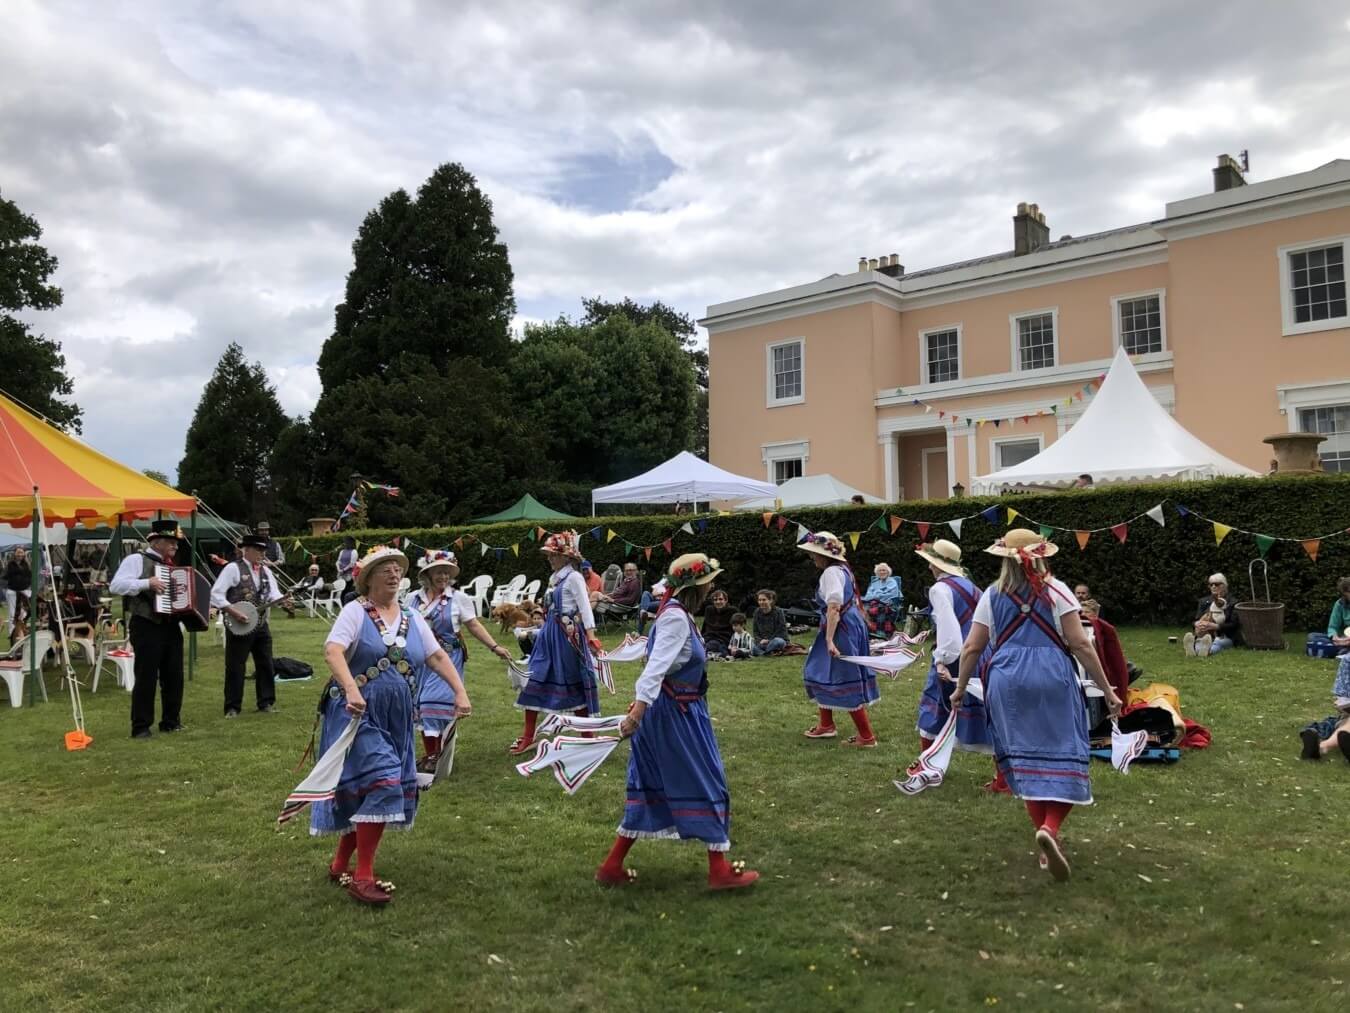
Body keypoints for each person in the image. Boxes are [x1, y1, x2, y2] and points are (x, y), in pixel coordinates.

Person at [950, 529, 1122, 883]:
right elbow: (1081, 644)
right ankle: (1050, 829)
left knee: (1024, 757)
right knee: (1067, 751)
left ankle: (1044, 844)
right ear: (1042, 556)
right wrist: (1108, 689)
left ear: (1004, 559)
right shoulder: (1059, 591)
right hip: (1051, 677)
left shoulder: (991, 596)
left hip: (1006, 679)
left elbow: (971, 648)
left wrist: (961, 686)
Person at [314, 545, 471, 906]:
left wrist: (459, 692)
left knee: (370, 789)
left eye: (396, 568)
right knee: (383, 780)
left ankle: (340, 864)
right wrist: (352, 688)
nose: (392, 573)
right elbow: (333, 651)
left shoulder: (413, 618)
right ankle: (363, 876)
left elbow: (435, 656)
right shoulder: (355, 612)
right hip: (356, 714)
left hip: (398, 717)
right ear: (367, 578)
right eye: (384, 568)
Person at [596, 553, 759, 891]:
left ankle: (612, 865)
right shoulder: (675, 619)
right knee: (708, 781)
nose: (712, 586)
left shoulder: (677, 614)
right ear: (696, 587)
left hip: (676, 711)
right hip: (674, 716)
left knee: (653, 782)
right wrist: (638, 712)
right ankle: (719, 871)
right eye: (708, 582)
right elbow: (655, 667)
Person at [405, 550, 512, 765]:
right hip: (420, 660)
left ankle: (436, 755)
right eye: (438, 572)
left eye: (447, 572)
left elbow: (473, 625)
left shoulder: (458, 598)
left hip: (448, 658)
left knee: (432, 703)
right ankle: (434, 754)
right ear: (427, 574)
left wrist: (495, 646)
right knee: (419, 705)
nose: (443, 577)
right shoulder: (412, 598)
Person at [912, 540, 1000, 785]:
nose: (929, 567)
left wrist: (941, 661)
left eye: (930, 562)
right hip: (982, 653)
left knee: (933, 706)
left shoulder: (939, 589)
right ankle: (1003, 779)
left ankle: (926, 765)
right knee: (987, 711)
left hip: (956, 657)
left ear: (935, 564)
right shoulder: (971, 586)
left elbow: (949, 634)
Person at [510, 531, 602, 755]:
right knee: (534, 681)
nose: (549, 558)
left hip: (567, 638)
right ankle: (528, 736)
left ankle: (588, 737)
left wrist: (591, 636)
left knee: (573, 683)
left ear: (567, 557)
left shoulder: (574, 578)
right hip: (548, 636)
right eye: (549, 555)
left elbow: (585, 608)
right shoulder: (555, 579)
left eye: (553, 555)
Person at [109, 520, 188, 739]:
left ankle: (171, 721)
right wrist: (146, 583)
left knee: (174, 675)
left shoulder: (172, 565)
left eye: (176, 543)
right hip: (146, 624)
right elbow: (116, 586)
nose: (176, 546)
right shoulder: (136, 559)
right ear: (158, 541)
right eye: (172, 542)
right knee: (146, 676)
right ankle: (141, 726)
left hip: (171, 626)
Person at [799, 532, 878, 747]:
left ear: (824, 555)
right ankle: (826, 725)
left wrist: (829, 639)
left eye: (814, 555)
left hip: (841, 626)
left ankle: (867, 736)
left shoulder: (831, 573)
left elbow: (834, 606)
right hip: (849, 623)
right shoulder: (843, 569)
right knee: (820, 670)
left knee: (844, 673)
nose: (812, 559)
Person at [211, 533, 289, 718]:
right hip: (239, 624)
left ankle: (266, 702)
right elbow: (216, 593)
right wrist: (233, 611)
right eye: (259, 550)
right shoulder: (233, 568)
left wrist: (283, 601)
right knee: (236, 666)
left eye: (263, 550)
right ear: (246, 550)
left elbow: (273, 593)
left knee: (266, 663)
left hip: (261, 624)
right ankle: (232, 706)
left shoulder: (266, 571)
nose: (262, 553)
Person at [1299, 648, 1350, 762]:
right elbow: (1342, 695)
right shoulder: (1347, 661)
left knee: (1342, 725)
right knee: (1343, 723)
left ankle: (1322, 747)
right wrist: (1343, 705)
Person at [1183, 573, 1242, 657]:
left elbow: (1234, 624)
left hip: (1225, 636)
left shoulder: (1233, 602)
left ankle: (1202, 651)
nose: (1213, 586)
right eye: (1211, 584)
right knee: (1202, 640)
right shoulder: (1203, 601)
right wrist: (1198, 624)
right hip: (1204, 634)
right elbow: (1195, 620)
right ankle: (1196, 649)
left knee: (1218, 643)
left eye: (1217, 584)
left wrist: (1216, 626)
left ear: (1224, 586)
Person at [861, 561, 903, 637]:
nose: (882, 572)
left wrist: (876, 595)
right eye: (880, 570)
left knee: (880, 608)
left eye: (884, 570)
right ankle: (868, 631)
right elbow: (868, 595)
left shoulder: (892, 582)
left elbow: (890, 595)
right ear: (877, 573)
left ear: (888, 572)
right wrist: (878, 595)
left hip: (889, 604)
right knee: (862, 608)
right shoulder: (874, 583)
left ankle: (880, 633)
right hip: (873, 603)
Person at [751, 589, 789, 656]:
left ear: (770, 600)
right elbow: (755, 631)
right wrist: (760, 640)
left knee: (778, 641)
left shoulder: (779, 612)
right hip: (761, 642)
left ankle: (762, 653)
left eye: (764, 600)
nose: (761, 602)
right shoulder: (756, 612)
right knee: (750, 644)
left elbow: (781, 630)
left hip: (775, 640)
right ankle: (767, 653)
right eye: (759, 600)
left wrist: (769, 640)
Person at [699, 588, 736, 658]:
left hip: (723, 639)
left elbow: (739, 628)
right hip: (708, 638)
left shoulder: (732, 611)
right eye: (715, 600)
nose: (718, 602)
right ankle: (711, 653)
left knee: (712, 645)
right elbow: (705, 626)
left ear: (726, 600)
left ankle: (709, 653)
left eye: (720, 599)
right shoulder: (709, 610)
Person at [5, 547, 31, 642]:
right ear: (15, 554)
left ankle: (21, 631)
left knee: (24, 613)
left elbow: (29, 576)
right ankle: (12, 635)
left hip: (24, 591)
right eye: (18, 552)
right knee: (12, 614)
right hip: (12, 591)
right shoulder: (10, 564)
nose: (20, 554)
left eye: (21, 553)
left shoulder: (26, 565)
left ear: (24, 554)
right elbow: (7, 575)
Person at [1326, 577, 1350, 647]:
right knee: (1312, 636)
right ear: (1344, 593)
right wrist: (1334, 637)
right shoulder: (1339, 604)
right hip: (1343, 638)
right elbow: (1332, 627)